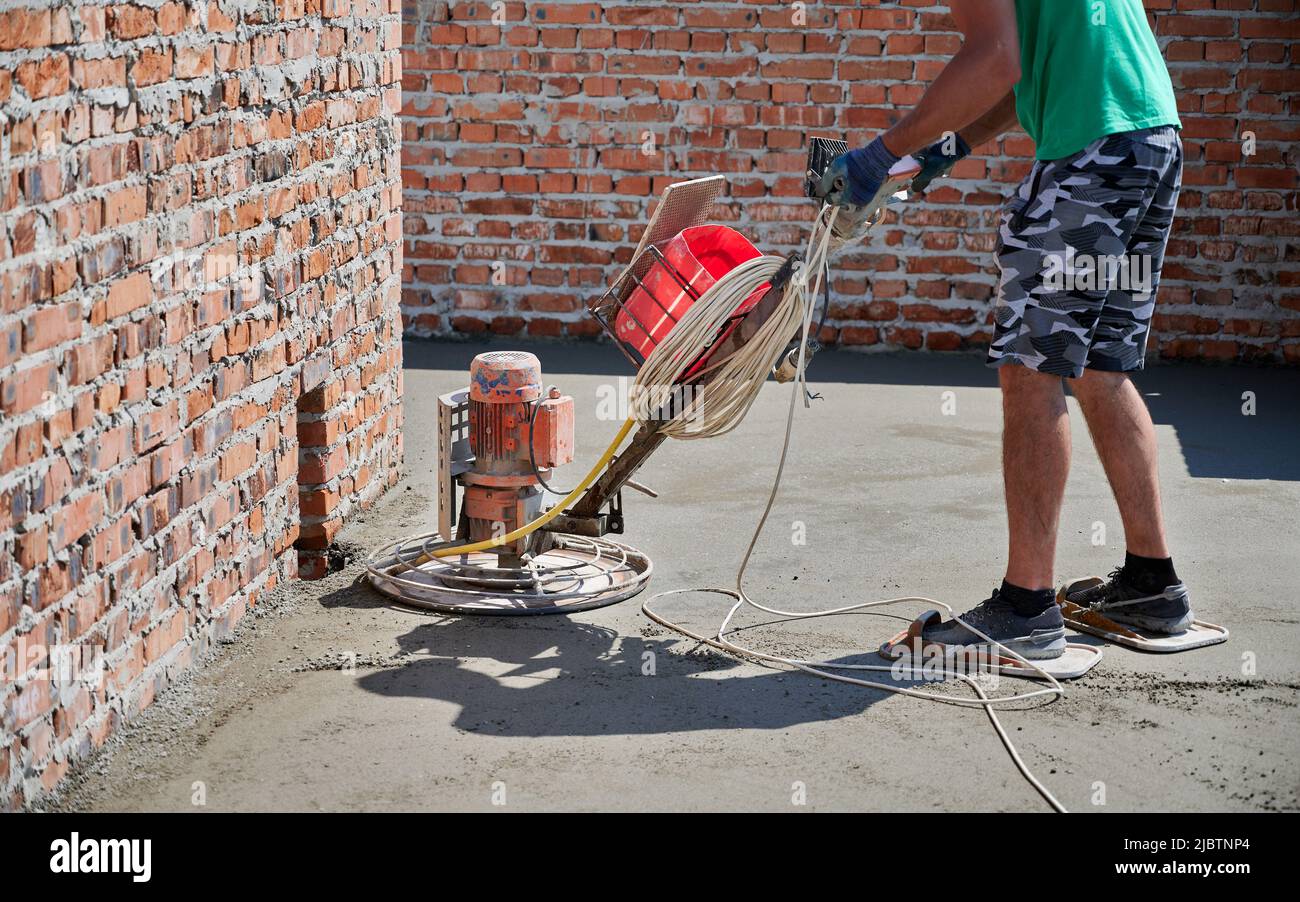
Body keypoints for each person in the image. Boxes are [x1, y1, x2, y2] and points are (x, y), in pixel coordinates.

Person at [817, 0, 1190, 660]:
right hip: (1147, 139)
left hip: (1094, 153)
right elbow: (1035, 69)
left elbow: (995, 59)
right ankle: (1151, 587)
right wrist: (952, 144)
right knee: (1100, 364)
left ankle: (1026, 609)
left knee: (1032, 362)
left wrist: (882, 153)